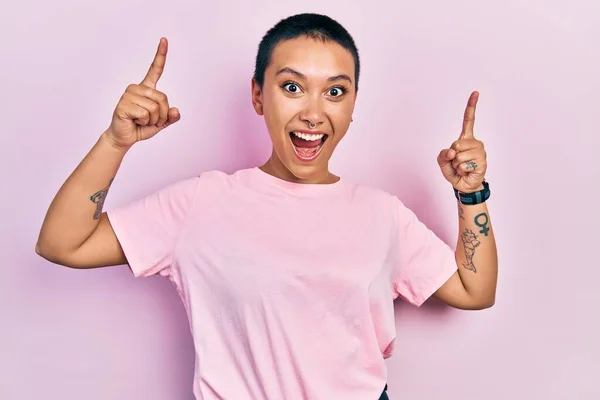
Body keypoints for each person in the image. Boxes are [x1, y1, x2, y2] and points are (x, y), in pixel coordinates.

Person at [35, 13, 498, 400]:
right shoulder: (202, 202)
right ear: (258, 95)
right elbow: (63, 243)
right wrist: (115, 141)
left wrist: (470, 193)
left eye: (335, 91)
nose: (313, 113)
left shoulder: (383, 214)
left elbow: (473, 291)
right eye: (292, 87)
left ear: (353, 104)